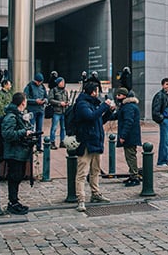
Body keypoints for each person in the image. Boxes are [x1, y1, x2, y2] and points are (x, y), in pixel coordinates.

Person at [72, 81, 115, 212]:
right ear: (92, 92)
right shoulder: (82, 104)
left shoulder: (92, 103)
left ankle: (95, 194)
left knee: (95, 171)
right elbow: (91, 117)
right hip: (86, 142)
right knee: (82, 173)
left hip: (96, 141)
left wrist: (108, 112)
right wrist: (104, 106)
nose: (98, 94)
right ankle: (81, 200)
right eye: (96, 91)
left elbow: (99, 120)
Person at [0, 92, 34, 215]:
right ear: (22, 102)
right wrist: (23, 133)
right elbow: (7, 134)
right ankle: (12, 203)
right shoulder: (11, 116)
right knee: (14, 178)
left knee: (18, 177)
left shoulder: (18, 115)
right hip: (14, 153)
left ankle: (14, 201)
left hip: (19, 152)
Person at [114, 87, 141, 186]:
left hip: (130, 136)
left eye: (119, 95)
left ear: (124, 96)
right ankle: (132, 174)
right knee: (129, 155)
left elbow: (128, 122)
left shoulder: (128, 107)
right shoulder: (126, 106)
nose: (117, 97)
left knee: (130, 156)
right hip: (131, 136)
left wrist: (123, 136)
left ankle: (135, 176)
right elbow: (117, 116)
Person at [151, 78, 168, 168]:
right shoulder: (159, 95)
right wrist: (161, 119)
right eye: (167, 84)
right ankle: (162, 161)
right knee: (165, 141)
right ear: (163, 85)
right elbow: (156, 110)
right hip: (165, 120)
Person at [23, 73, 48, 152]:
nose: (39, 83)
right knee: (31, 128)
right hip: (32, 110)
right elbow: (25, 98)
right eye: (38, 82)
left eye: (40, 82)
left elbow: (46, 97)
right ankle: (30, 146)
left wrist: (44, 101)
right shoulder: (29, 86)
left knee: (39, 129)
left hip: (40, 110)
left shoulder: (42, 87)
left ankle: (38, 146)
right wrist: (35, 101)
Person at [48, 77, 70, 150]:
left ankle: (62, 142)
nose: (63, 83)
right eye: (61, 82)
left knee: (63, 128)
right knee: (54, 127)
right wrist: (60, 103)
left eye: (63, 82)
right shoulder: (53, 90)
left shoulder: (65, 91)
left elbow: (67, 99)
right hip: (56, 111)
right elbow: (50, 100)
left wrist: (67, 103)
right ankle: (52, 142)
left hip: (64, 112)